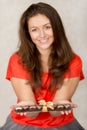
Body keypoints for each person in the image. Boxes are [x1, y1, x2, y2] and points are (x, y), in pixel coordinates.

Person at [0, 2, 85, 130]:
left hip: (61, 124)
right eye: (34, 30)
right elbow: (32, 114)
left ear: (56, 28)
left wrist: (61, 106)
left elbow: (55, 112)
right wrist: (27, 106)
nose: (42, 35)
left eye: (47, 27)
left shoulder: (74, 61)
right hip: (25, 124)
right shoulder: (17, 60)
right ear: (28, 33)